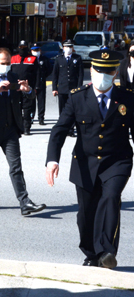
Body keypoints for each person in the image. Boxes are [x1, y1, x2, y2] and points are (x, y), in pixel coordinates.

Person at [46, 50, 130, 269]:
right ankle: (91, 253)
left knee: (110, 198)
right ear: (91, 70)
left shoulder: (128, 98)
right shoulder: (77, 97)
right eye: (99, 70)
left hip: (117, 161)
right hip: (85, 163)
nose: (103, 75)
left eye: (108, 71)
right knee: (85, 214)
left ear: (115, 73)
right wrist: (52, 160)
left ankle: (106, 252)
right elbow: (59, 131)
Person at [0, 48, 46, 215]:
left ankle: (24, 202)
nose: (6, 66)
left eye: (8, 63)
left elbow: (30, 97)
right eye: (3, 63)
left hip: (10, 129)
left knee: (16, 166)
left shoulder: (13, 77)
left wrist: (28, 91)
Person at [52, 39, 84, 136]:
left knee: (73, 110)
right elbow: (55, 75)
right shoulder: (58, 59)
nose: (69, 49)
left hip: (73, 88)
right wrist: (54, 88)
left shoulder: (77, 58)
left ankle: (71, 129)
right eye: (67, 47)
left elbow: (80, 75)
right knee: (62, 110)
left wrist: (79, 88)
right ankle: (63, 129)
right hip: (62, 88)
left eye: (70, 47)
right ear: (63, 48)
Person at [10, 41, 39, 135]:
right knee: (16, 108)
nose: (22, 49)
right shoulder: (13, 58)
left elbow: (37, 74)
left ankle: (26, 127)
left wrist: (35, 87)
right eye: (21, 47)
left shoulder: (33, 59)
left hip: (27, 87)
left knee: (27, 108)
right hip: (15, 87)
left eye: (24, 47)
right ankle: (18, 126)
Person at [31, 43, 51, 126]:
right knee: (31, 102)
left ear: (40, 50)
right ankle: (31, 117)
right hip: (32, 84)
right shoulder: (29, 60)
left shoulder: (44, 59)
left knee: (41, 102)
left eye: (37, 50)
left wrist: (43, 76)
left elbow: (49, 69)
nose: (36, 52)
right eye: (34, 50)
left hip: (41, 83)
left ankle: (41, 118)